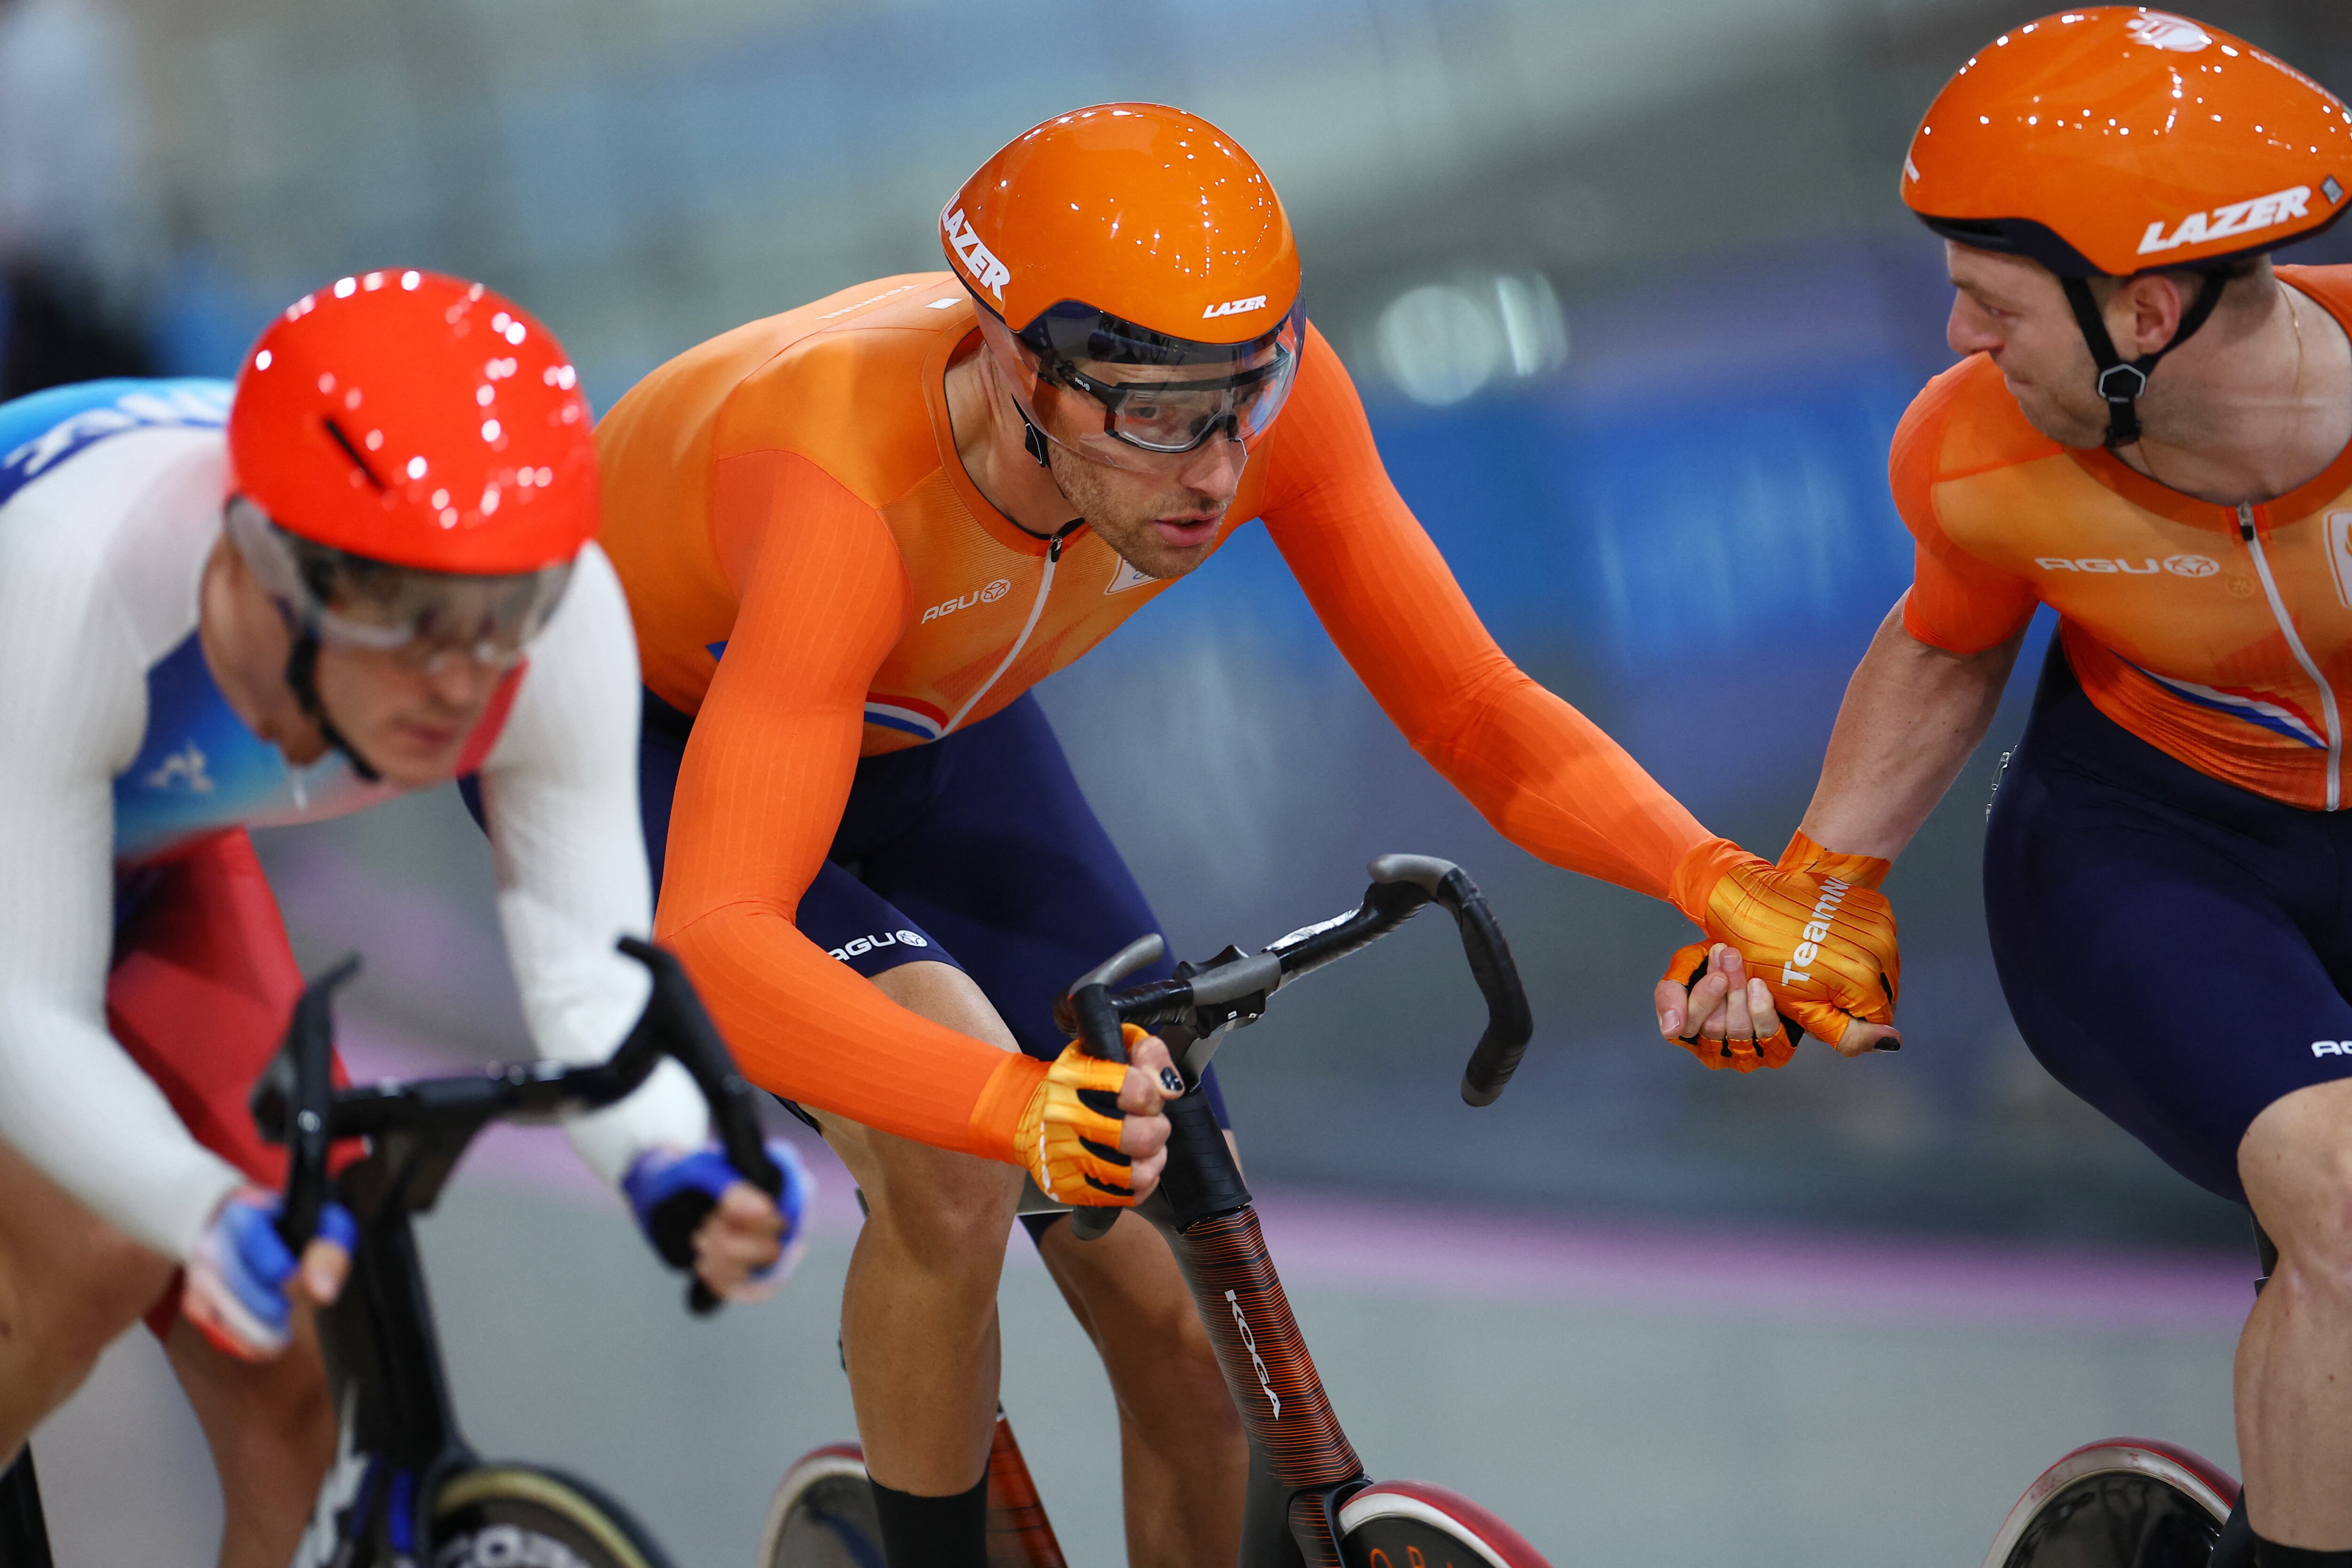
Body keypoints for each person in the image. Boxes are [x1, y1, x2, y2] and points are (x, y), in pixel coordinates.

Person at [595, 103, 1904, 1568]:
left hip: (931, 725)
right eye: (1155, 414)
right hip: (647, 740)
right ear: (1020, 367)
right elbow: (723, 936)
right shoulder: (841, 486)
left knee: (1188, 1339)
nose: (1215, 468)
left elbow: (1470, 705)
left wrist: (1721, 881)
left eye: (1245, 394)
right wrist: (1005, 1109)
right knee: (954, 1173)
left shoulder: (1252, 406)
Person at [1656, 8, 2352, 1562]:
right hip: (2156, 857)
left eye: (1990, 301)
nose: (1961, 340)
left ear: (2149, 308)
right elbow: (1946, 651)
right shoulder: (1972, 452)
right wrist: (1809, 891)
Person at [0, 271, 807, 1568]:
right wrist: (194, 1206)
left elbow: (591, 977)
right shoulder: (68, 576)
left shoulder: (564, 618)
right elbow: (22, 1013)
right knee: (90, 1253)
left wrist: (671, 1164)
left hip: (136, 840)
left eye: (501, 616)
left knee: (297, 1390)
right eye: (409, 618)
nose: (460, 675)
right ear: (265, 567)